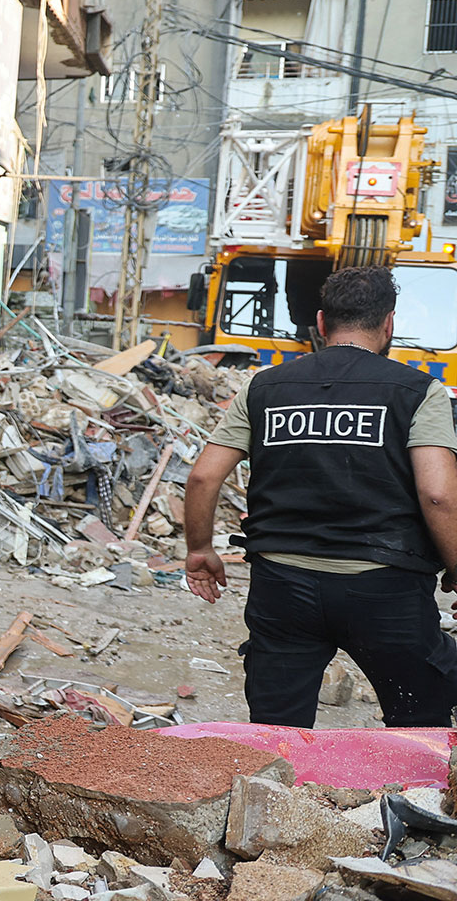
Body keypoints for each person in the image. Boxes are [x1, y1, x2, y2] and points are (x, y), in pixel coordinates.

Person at [183, 265, 457, 727]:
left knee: (276, 732)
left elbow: (203, 479)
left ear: (322, 323)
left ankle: (274, 798)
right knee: (420, 724)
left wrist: (199, 550)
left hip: (282, 588)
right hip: (386, 590)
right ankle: (406, 799)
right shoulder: (418, 391)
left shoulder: (263, 387)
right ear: (389, 324)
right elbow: (438, 496)